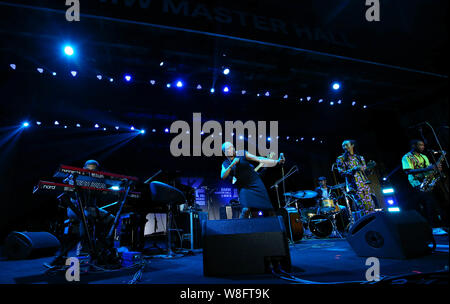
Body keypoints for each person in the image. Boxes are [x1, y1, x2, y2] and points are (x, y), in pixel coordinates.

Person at [46, 160, 115, 267]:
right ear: (84, 168)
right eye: (89, 169)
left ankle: (101, 247)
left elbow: (105, 192)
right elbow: (67, 188)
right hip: (74, 209)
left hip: (92, 208)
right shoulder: (76, 177)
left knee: (111, 218)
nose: (91, 171)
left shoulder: (99, 180)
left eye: (94, 169)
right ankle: (84, 249)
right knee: (85, 215)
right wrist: (72, 180)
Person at [221, 142, 285, 218]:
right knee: (245, 210)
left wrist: (276, 162)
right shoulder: (226, 163)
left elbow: (258, 159)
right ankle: (241, 228)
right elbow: (223, 176)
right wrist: (232, 164)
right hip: (244, 187)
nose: (232, 149)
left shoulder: (242, 153)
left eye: (232, 147)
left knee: (269, 209)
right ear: (225, 153)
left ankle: (277, 229)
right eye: (229, 148)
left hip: (255, 182)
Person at [402, 139, 447, 235]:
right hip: (418, 183)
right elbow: (408, 171)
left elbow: (428, 168)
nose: (423, 147)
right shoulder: (407, 157)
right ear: (414, 146)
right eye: (420, 145)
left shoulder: (424, 156)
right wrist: (428, 168)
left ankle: (441, 224)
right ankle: (434, 227)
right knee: (429, 204)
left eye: (423, 145)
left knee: (437, 202)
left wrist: (436, 168)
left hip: (428, 181)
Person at [336, 140, 375, 215]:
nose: (344, 147)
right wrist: (354, 169)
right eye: (343, 146)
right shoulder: (340, 159)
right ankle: (366, 225)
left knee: (371, 206)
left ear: (352, 145)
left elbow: (365, 173)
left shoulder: (360, 158)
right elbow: (342, 173)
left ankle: (373, 224)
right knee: (363, 206)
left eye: (346, 145)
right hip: (354, 186)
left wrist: (370, 168)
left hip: (364, 184)